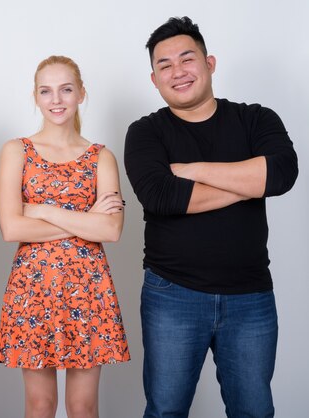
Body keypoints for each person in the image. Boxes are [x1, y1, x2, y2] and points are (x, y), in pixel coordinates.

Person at [124, 16, 298, 418]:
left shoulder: (256, 118)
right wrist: (247, 179)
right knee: (166, 410)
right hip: (172, 295)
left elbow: (282, 174)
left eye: (187, 59)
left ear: (210, 63)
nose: (177, 71)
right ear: (154, 80)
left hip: (250, 296)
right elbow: (162, 196)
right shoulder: (146, 132)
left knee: (254, 411)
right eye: (164, 65)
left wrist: (191, 169)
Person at [0, 55, 130, 418]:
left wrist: (40, 209)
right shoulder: (16, 150)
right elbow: (12, 228)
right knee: (40, 405)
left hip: (88, 288)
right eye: (47, 91)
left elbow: (111, 230)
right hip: (33, 290)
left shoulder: (101, 157)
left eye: (66, 89)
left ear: (81, 94)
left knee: (83, 407)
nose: (56, 100)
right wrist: (85, 220)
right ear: (36, 97)